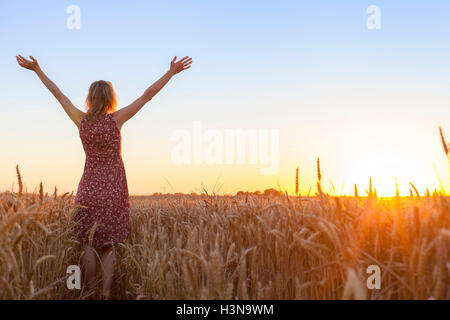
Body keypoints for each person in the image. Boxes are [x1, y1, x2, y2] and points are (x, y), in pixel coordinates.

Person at [16, 54, 193, 299]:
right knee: (108, 245)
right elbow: (147, 95)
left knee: (88, 243)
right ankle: (106, 293)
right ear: (111, 98)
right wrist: (171, 73)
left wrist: (37, 70)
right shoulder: (116, 120)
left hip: (88, 186)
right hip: (113, 189)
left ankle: (88, 289)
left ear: (90, 98)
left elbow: (58, 94)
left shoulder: (80, 120)